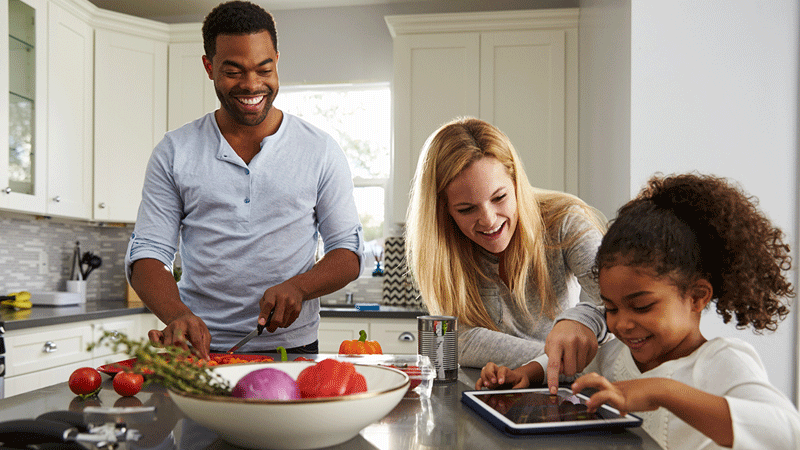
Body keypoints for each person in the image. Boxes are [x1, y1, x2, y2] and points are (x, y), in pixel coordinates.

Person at [476, 173, 800, 449]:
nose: (622, 324)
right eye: (610, 308)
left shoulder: (720, 361)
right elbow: (570, 362)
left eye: (642, 306)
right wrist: (526, 373)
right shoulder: (617, 356)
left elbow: (787, 431)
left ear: (697, 297)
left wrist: (662, 391)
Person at [125, 1, 363, 358]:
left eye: (264, 69)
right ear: (209, 67)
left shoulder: (320, 150)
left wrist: (299, 287)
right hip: (199, 350)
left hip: (292, 348)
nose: (252, 85)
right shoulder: (175, 151)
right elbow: (148, 254)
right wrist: (177, 315)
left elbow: (347, 253)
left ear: (277, 62)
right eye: (234, 71)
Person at [405, 117, 609, 381]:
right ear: (444, 211)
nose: (489, 220)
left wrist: (545, 361)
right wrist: (558, 360)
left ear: (516, 184)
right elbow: (458, 339)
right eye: (466, 209)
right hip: (497, 387)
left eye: (499, 197)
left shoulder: (565, 222)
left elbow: (616, 307)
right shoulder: (444, 252)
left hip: (562, 389)